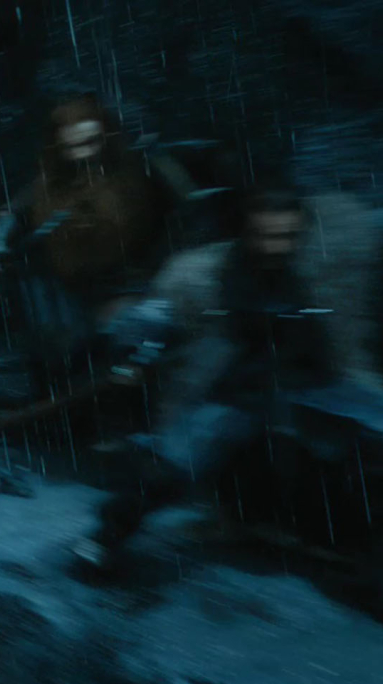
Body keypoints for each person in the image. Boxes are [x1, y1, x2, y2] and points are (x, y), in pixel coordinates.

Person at [74, 185, 340, 570]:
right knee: (176, 466)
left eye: (287, 236)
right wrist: (136, 357)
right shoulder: (207, 274)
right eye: (268, 236)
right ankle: (105, 536)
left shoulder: (292, 278)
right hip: (219, 394)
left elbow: (311, 344)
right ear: (249, 232)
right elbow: (159, 319)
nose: (277, 246)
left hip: (278, 394)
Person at [0, 94, 205, 396]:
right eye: (73, 147)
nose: (84, 154)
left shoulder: (138, 170)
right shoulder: (49, 186)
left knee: (144, 328)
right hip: (83, 293)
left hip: (143, 280)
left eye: (91, 142)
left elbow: (188, 211)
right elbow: (12, 214)